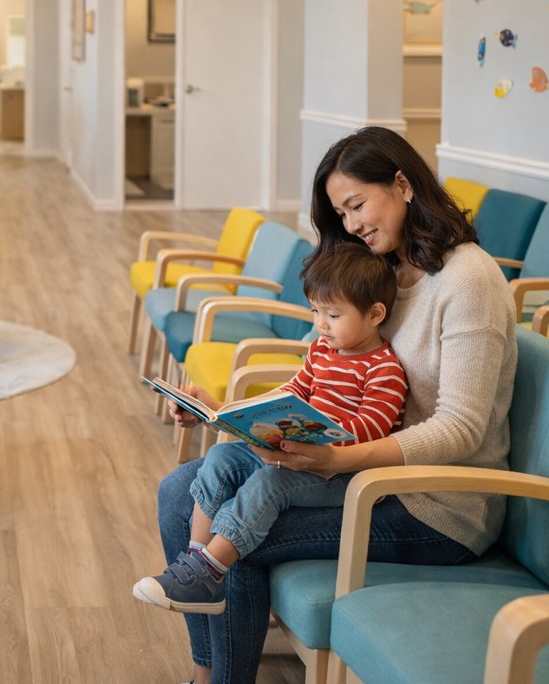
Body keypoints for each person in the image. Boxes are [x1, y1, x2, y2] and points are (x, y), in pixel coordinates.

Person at [153, 125, 518, 684]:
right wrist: (225, 410)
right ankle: (208, 671)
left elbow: (462, 429)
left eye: (356, 205)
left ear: (402, 184)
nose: (350, 225)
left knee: (236, 531)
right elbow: (314, 383)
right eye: (340, 214)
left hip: (438, 506)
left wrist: (337, 461)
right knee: (179, 489)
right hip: (358, 469)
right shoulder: (378, 272)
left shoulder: (469, 281)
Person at [134, 242, 408, 615]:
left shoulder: (384, 370)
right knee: (219, 456)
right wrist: (220, 410)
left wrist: (311, 436)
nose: (320, 325)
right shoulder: (322, 351)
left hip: (341, 474)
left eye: (333, 314)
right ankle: (198, 569)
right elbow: (293, 391)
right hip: (300, 452)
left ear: (375, 314)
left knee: (268, 484)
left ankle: (209, 570)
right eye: (315, 311)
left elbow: (370, 429)